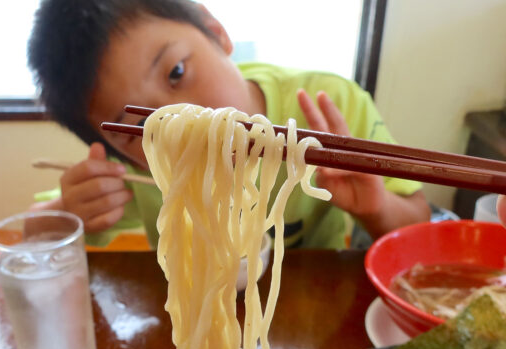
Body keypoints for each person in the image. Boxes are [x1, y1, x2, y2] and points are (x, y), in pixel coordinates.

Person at [27, 0, 430, 249]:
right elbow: (32, 231)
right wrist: (70, 208)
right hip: (191, 334)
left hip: (313, 314)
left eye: (176, 72)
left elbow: (419, 221)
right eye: (137, 128)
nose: (180, 127)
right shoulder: (138, 172)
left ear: (216, 31)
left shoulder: (328, 108)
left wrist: (376, 210)